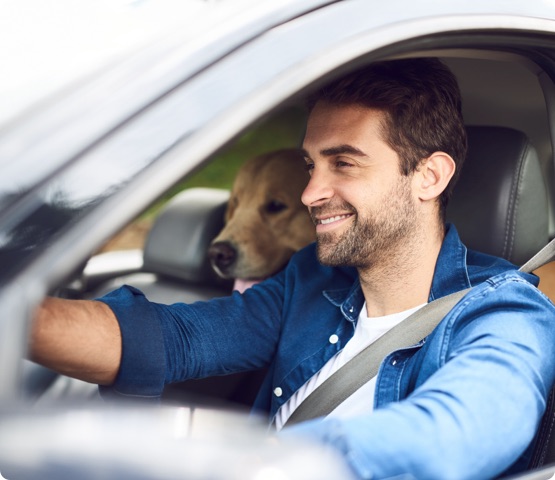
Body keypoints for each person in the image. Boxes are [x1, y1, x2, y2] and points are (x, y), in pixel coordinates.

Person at [30, 58, 555, 480]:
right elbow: (174, 339)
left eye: (343, 163)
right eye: (311, 165)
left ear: (429, 177)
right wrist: (24, 322)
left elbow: (460, 431)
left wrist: (248, 462)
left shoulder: (504, 309)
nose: (309, 193)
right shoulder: (311, 280)